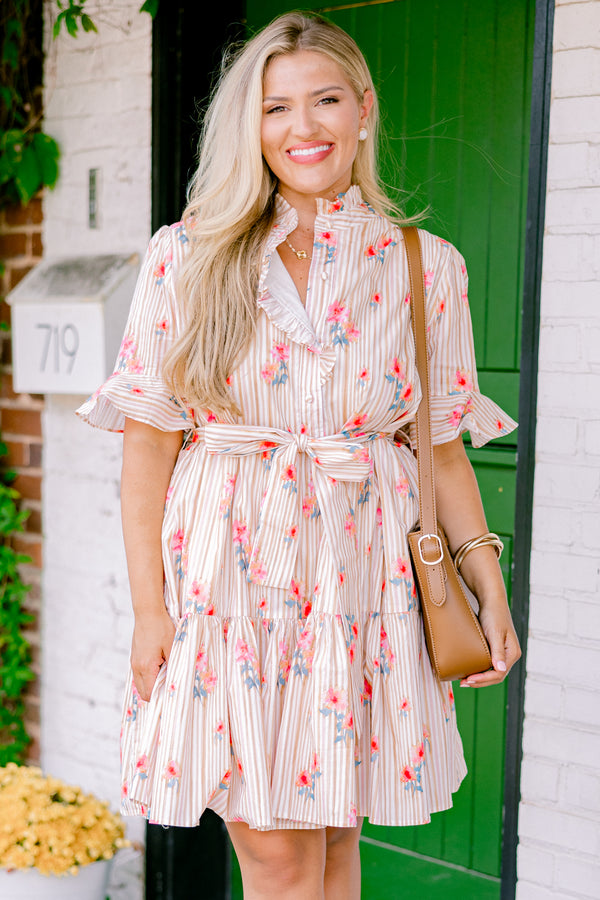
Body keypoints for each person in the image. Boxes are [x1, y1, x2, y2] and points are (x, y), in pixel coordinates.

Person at [77, 11, 521, 899]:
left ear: (362, 110)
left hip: (362, 581)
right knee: (278, 857)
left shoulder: (426, 265)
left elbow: (437, 452)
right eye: (277, 108)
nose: (303, 128)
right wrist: (148, 612)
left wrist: (488, 587)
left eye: (325, 100)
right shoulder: (187, 258)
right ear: (252, 126)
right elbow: (146, 451)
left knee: (332, 845)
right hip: (229, 584)